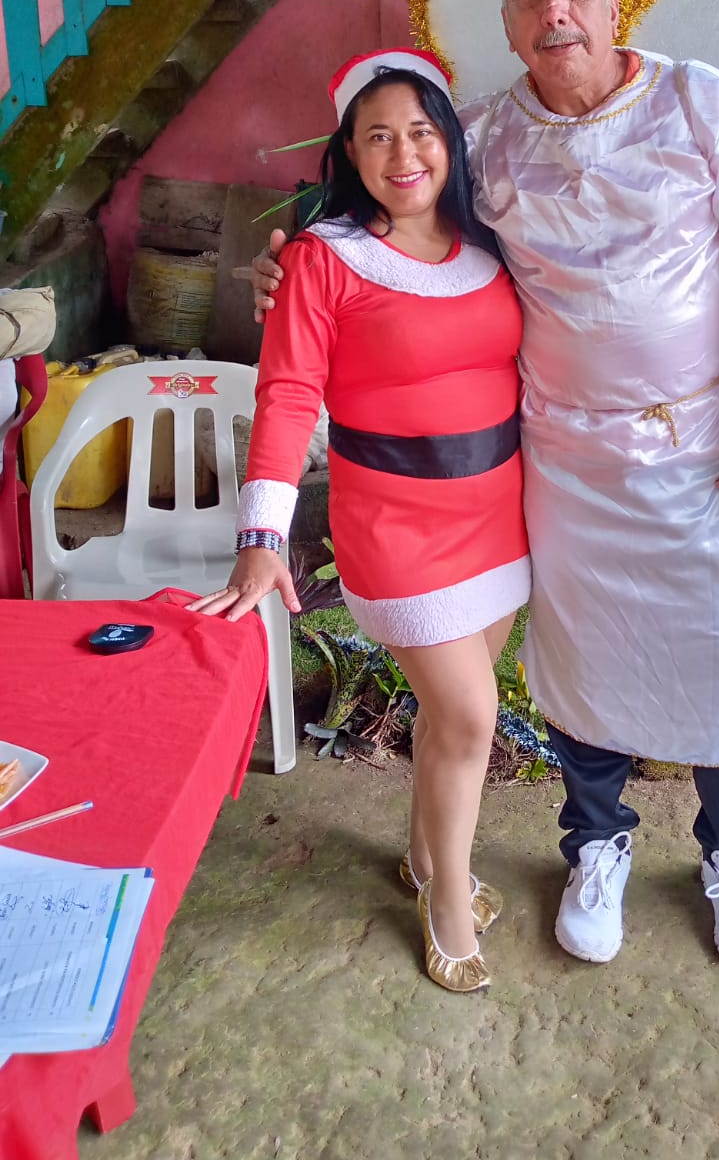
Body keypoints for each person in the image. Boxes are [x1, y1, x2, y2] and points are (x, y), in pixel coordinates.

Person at [253, 0, 719, 972]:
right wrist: (292, 264)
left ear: (613, 0)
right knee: (584, 662)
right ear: (505, 25)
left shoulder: (699, 102)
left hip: (704, 454)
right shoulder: (486, 139)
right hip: (564, 461)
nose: (556, 10)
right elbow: (395, 218)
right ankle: (595, 843)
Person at [195, 49, 530, 994]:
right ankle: (449, 899)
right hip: (396, 525)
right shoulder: (321, 258)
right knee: (470, 715)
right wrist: (261, 538)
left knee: (448, 716)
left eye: (421, 132)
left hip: (498, 517)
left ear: (449, 140)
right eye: (378, 136)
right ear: (349, 151)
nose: (404, 154)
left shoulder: (489, 241)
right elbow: (288, 394)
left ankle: (424, 858)